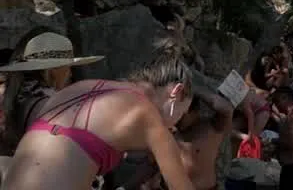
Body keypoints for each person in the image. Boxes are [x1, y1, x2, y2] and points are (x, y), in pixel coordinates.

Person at [1, 50, 195, 190]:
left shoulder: (83, 88)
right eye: (182, 111)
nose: (178, 121)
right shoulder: (147, 115)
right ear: (176, 92)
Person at [0, 30, 104, 155]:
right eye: (68, 67)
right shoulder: (52, 102)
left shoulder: (20, 96)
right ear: (54, 69)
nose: (70, 73)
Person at [175, 84, 237, 190]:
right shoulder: (171, 128)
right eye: (177, 114)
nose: (178, 119)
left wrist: (196, 90)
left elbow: (226, 108)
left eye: (182, 115)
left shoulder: (212, 128)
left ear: (195, 111)